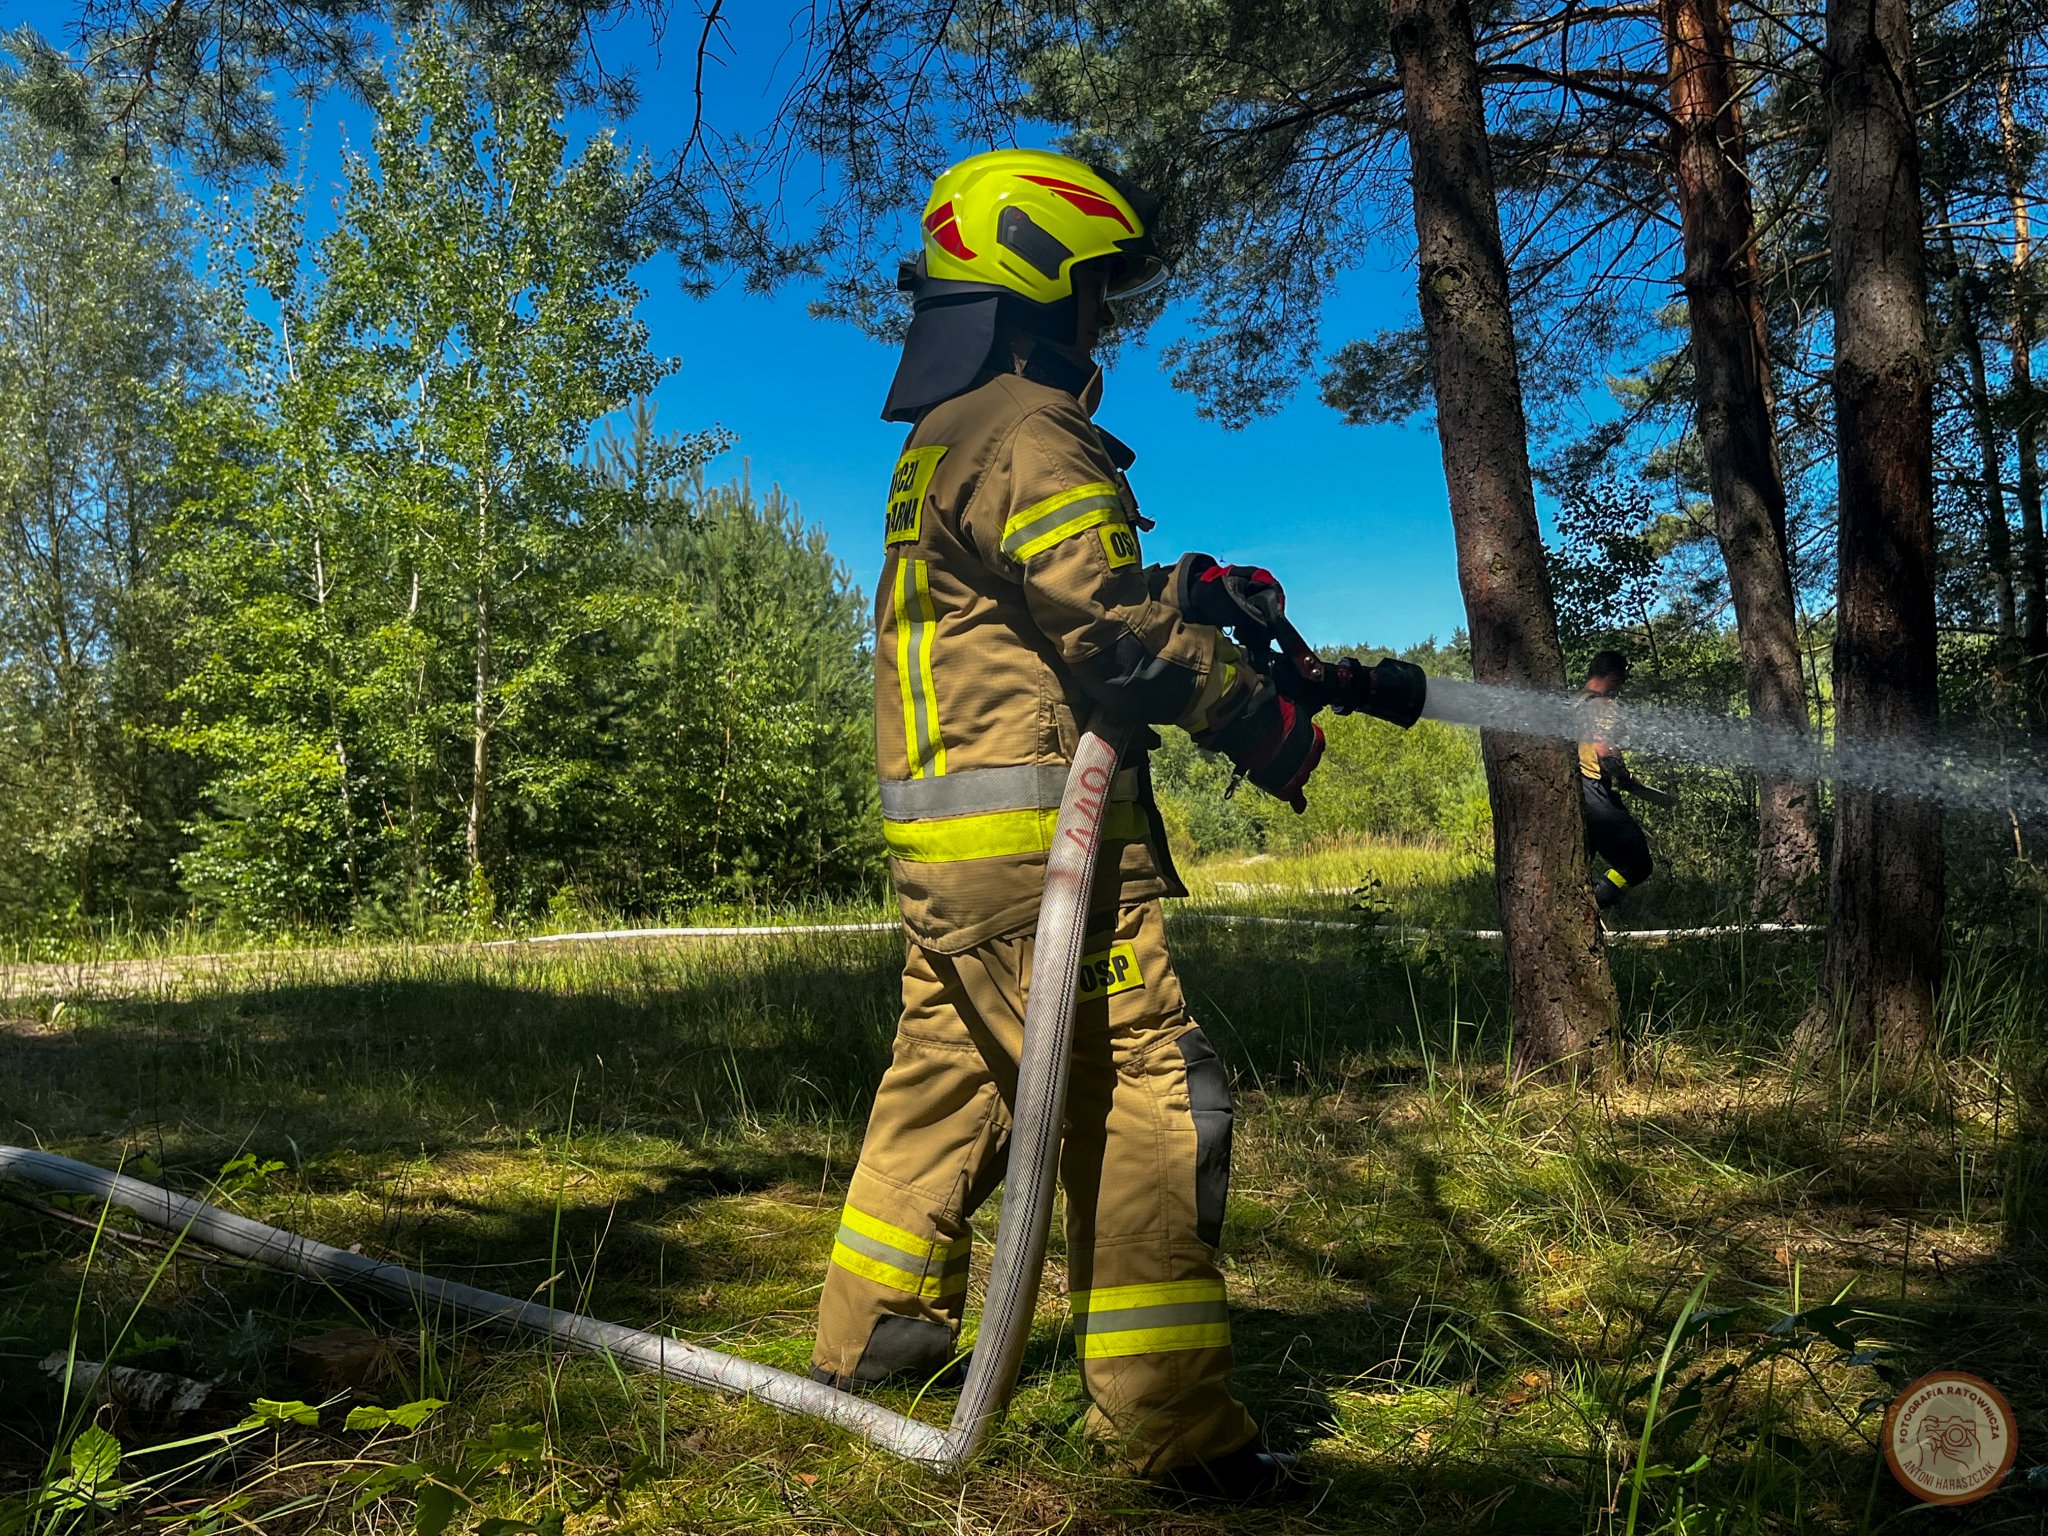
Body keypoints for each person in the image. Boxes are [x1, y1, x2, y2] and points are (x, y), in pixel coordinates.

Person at [808, 149, 1325, 1500]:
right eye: (1097, 288)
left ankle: (872, 1342)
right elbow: (1108, 629)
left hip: (952, 861)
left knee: (950, 1083)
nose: (1106, 318)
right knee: (1151, 1102)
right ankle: (1169, 1433)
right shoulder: (1036, 433)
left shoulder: (945, 442)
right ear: (1047, 283)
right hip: (1049, 862)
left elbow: (1054, 598)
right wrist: (1259, 719)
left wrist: (1194, 582)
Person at [1576, 650, 1677, 911]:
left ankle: (1581, 905)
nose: (1620, 689)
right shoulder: (1602, 704)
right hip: (1595, 791)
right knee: (1638, 865)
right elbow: (1602, 748)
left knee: (1577, 865)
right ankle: (1594, 903)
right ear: (1611, 677)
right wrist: (1623, 775)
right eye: (1621, 682)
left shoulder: (1574, 702)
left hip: (1575, 792)